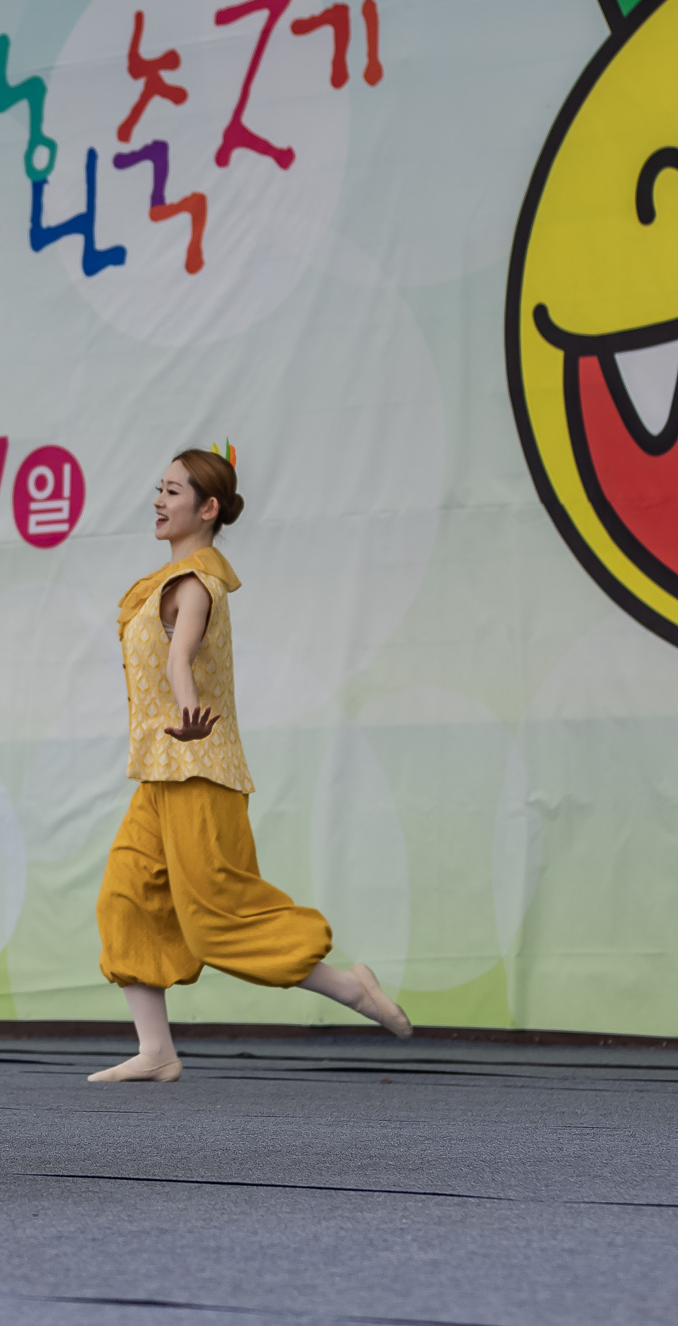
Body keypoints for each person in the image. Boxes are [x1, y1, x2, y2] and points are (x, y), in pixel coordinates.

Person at [89, 447, 412, 1085]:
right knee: (126, 899)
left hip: (197, 768)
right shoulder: (170, 579)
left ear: (207, 509)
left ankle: (352, 989)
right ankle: (157, 1051)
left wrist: (187, 713)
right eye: (159, 488)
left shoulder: (195, 584)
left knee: (219, 918)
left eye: (174, 492)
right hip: (161, 773)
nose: (159, 500)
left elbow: (183, 660)